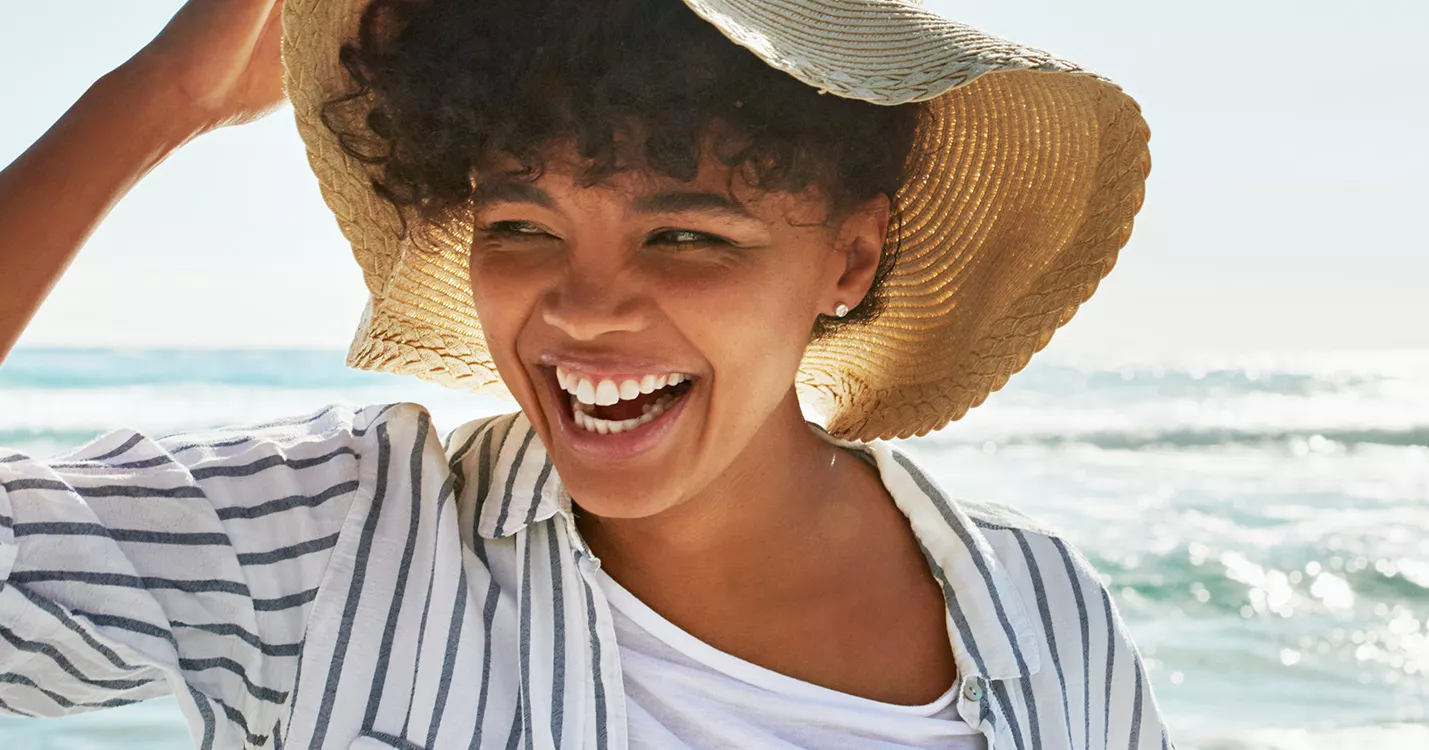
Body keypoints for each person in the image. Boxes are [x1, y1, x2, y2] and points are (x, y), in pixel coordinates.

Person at [0, 0, 1162, 747]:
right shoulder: (325, 542)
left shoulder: (1041, 613)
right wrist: (157, 103)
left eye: (687, 237)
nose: (582, 308)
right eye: (519, 225)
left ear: (847, 258)